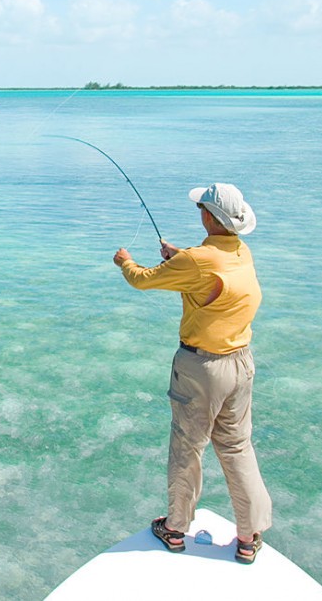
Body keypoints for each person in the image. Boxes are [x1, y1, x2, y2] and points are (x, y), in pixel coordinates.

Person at [113, 182, 272, 564]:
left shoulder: (198, 261)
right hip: (241, 364)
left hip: (202, 369)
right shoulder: (240, 251)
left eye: (201, 206)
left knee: (187, 447)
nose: (198, 210)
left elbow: (142, 280)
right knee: (237, 448)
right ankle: (249, 537)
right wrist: (179, 254)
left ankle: (175, 528)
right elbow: (207, 269)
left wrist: (125, 262)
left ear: (207, 215)